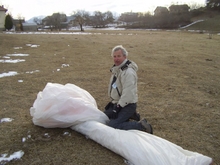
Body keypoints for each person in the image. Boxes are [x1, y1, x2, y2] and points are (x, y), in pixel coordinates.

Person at [104, 45, 153, 134]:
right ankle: (132, 115)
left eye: (119, 56)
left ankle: (141, 125)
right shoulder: (117, 69)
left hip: (127, 105)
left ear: (125, 57)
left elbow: (128, 94)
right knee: (104, 119)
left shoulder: (128, 72)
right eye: (114, 56)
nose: (116, 59)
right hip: (117, 102)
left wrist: (117, 108)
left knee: (112, 125)